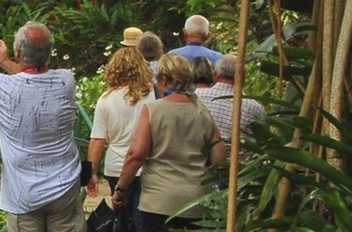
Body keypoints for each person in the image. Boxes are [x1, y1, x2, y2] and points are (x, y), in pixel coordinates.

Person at [0, 22, 82, 231]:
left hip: (24, 193)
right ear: (49, 52)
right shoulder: (66, 81)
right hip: (65, 188)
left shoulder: (2, 87)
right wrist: (3, 60)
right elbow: (32, 78)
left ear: (18, 51)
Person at [113, 54, 227, 232]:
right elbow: (219, 158)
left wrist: (121, 189)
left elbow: (136, 154)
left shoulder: (153, 110)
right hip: (196, 201)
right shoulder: (202, 111)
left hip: (158, 202)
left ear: (164, 80)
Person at [86, 38, 154, 225]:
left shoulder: (106, 99)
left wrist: (90, 173)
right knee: (143, 219)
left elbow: (97, 140)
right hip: (147, 166)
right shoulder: (153, 96)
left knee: (121, 219)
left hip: (116, 166)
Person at [195, 54, 264, 144]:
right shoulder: (255, 108)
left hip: (201, 154)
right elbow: (263, 141)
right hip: (241, 156)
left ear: (215, 75)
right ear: (243, 78)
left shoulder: (195, 97)